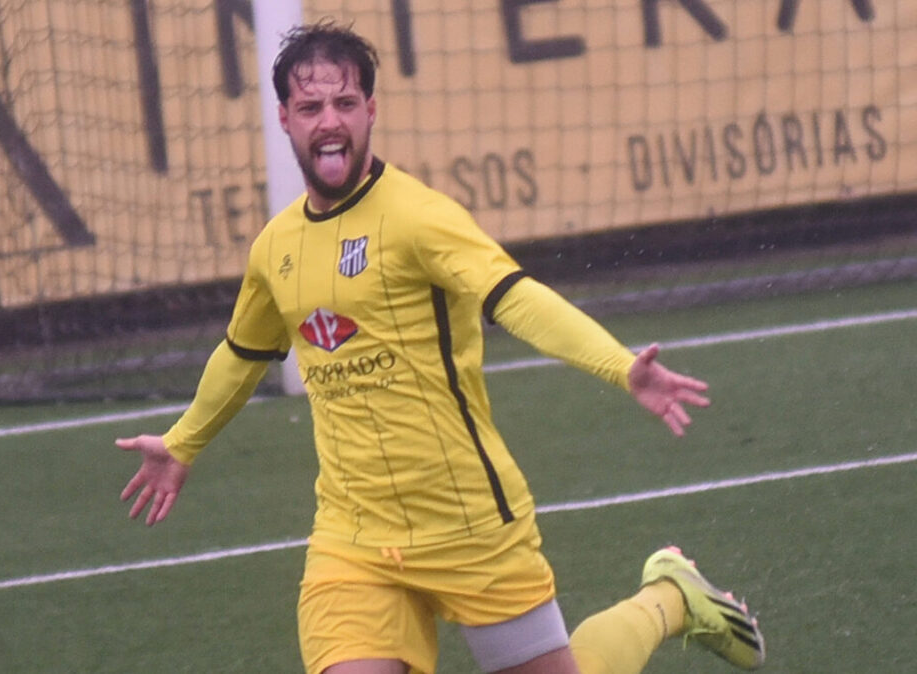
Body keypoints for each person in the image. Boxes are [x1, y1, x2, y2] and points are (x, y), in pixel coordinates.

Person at [115, 20, 765, 674]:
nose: (329, 121)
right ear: (284, 118)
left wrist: (621, 367)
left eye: (345, 102)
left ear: (370, 110)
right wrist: (183, 442)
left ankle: (668, 598)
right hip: (353, 537)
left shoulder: (419, 217)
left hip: (469, 524)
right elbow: (242, 354)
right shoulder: (274, 248)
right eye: (310, 107)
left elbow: (515, 298)